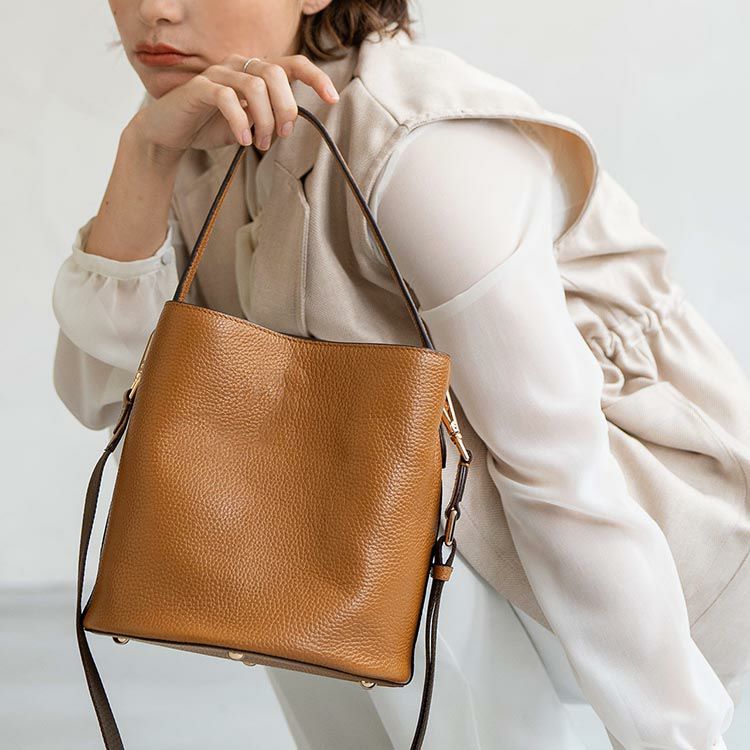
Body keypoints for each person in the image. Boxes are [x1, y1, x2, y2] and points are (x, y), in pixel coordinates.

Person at [52, 1, 750, 748]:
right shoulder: (201, 125)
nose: (155, 9)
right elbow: (103, 395)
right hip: (465, 540)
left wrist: (675, 735)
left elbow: (559, 470)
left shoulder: (419, 148)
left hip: (663, 544)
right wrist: (146, 157)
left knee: (365, 473)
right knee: (289, 481)